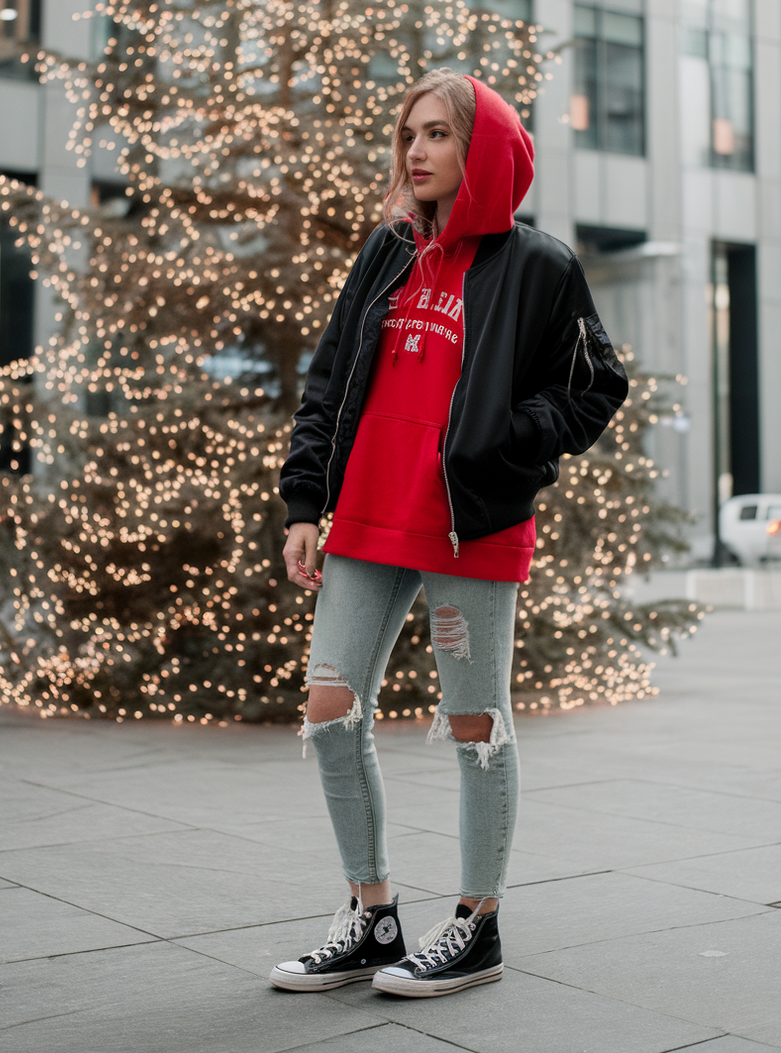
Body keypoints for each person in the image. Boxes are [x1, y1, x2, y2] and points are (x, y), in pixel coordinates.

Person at [271, 68, 628, 998]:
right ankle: (372, 913)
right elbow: (329, 380)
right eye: (408, 134)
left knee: (475, 726)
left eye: (436, 135)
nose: (416, 152)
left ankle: (477, 925)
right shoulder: (385, 253)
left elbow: (596, 386)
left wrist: (509, 442)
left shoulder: (539, 265)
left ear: (482, 151)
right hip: (369, 519)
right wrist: (305, 502)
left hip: (471, 529)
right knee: (329, 711)